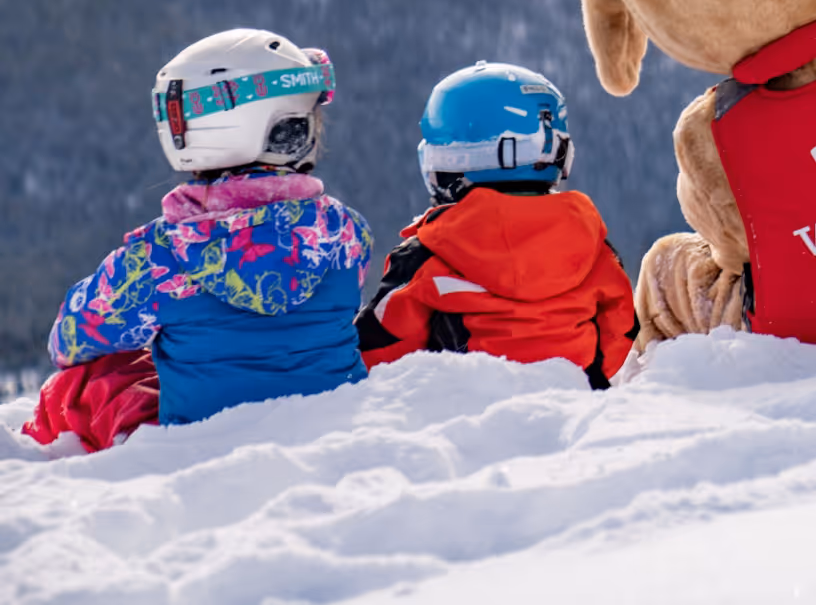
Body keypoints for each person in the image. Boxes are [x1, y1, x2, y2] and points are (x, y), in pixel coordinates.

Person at [25, 29, 371, 450]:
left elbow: (69, 341)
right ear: (288, 133)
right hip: (326, 432)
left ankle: (32, 458)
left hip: (197, 448)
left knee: (81, 383)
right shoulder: (346, 232)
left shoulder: (155, 258)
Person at [357, 62, 637, 387]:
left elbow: (378, 351)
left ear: (453, 161)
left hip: (465, 415)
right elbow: (621, 329)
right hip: (576, 407)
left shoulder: (427, 255)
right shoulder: (592, 246)